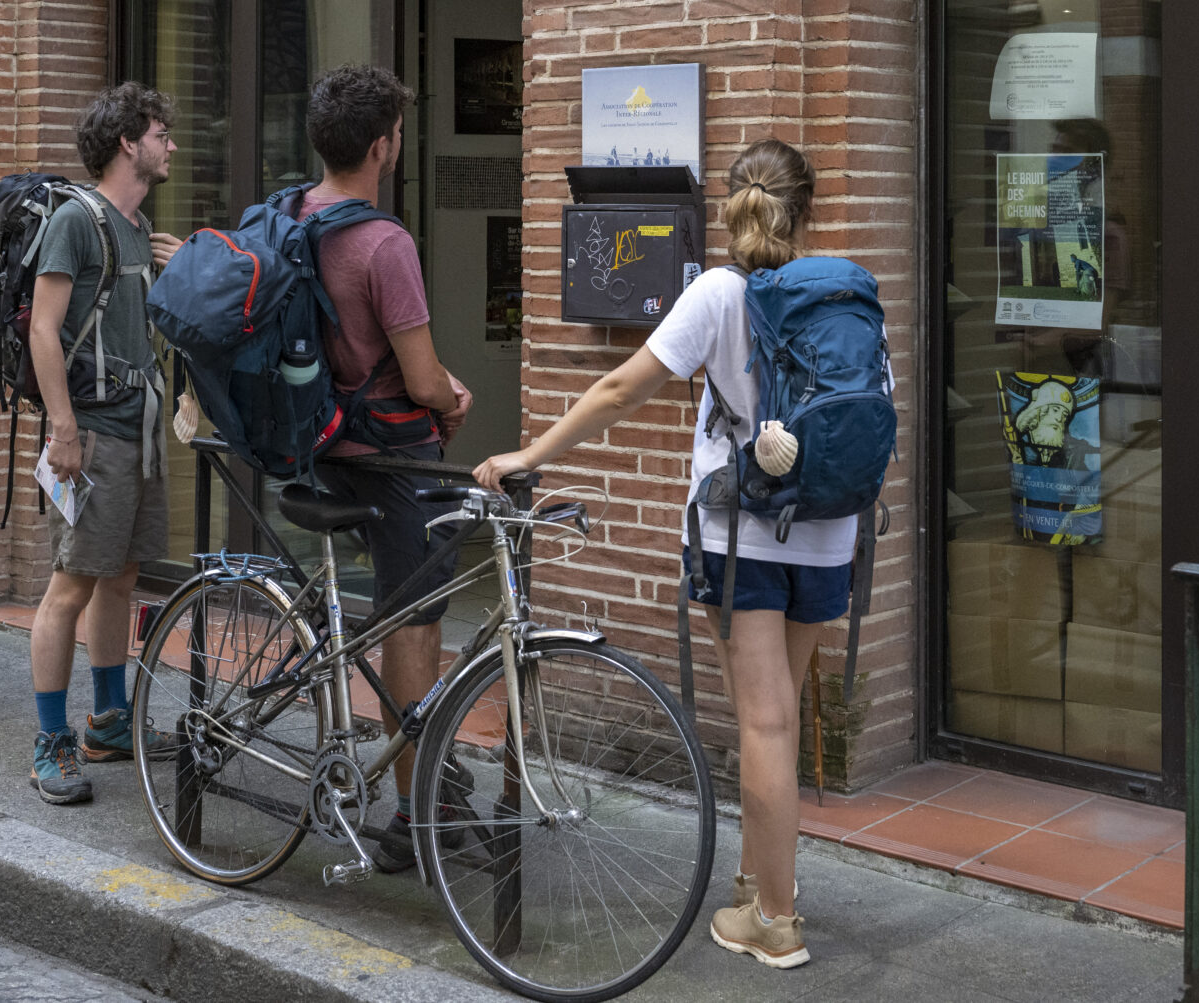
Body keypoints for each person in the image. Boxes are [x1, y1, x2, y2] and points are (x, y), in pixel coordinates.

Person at [474, 139, 868, 970]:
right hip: (829, 533)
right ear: (810, 209)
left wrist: (531, 453)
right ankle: (756, 881)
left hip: (742, 537)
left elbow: (621, 388)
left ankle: (777, 919)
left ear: (729, 205)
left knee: (763, 721)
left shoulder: (719, 292)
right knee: (781, 713)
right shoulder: (846, 292)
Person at [295, 64, 474, 870]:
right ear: (381, 146)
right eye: (397, 132)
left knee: (391, 612)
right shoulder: (384, 243)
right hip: (391, 458)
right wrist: (455, 394)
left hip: (322, 446)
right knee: (415, 620)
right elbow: (424, 377)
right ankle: (414, 809)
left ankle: (419, 767)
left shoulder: (295, 215)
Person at [26, 83, 184, 806]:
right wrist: (63, 429)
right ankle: (50, 741)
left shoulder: (139, 227)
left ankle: (109, 721)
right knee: (70, 585)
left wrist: (180, 273)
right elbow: (42, 328)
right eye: (160, 133)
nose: (171, 144)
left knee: (120, 576)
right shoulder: (75, 220)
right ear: (127, 142)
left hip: (139, 430)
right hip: (91, 433)